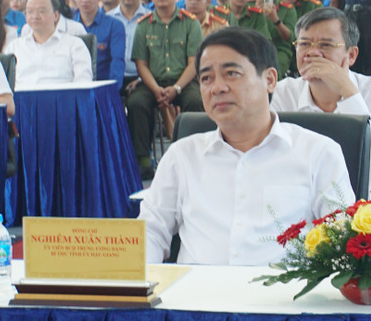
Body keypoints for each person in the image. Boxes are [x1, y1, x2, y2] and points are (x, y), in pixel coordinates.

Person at [140, 27, 355, 265]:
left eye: (231, 73)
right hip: (195, 297)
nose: (217, 88)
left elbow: (342, 238)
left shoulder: (318, 153)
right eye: (206, 78)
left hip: (285, 298)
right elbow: (150, 230)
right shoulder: (182, 155)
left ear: (270, 80)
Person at [270, 7, 371, 181]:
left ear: (352, 55)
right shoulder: (281, 94)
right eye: (304, 44)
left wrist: (350, 94)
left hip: (369, 202)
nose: (312, 53)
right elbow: (272, 162)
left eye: (326, 45)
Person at [126, 0, 205, 179]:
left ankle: (193, 156)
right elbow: (141, 64)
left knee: (196, 101)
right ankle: (142, 160)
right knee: (136, 103)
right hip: (153, 82)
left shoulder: (190, 23)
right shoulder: (143, 25)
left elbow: (194, 62)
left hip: (184, 82)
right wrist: (156, 89)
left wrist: (176, 88)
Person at [4, 0, 93, 89]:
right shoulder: (14, 47)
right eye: (30, 11)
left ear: (56, 15)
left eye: (42, 11)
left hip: (62, 101)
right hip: (22, 102)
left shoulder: (74, 45)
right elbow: (3, 84)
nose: (35, 16)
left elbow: (83, 83)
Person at [73, 0, 126, 82]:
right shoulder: (68, 25)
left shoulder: (114, 25)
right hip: (75, 88)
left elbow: (117, 62)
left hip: (103, 87)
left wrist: (111, 90)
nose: (84, 0)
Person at [107, 0, 151, 88]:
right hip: (112, 77)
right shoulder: (107, 19)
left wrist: (143, 79)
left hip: (143, 78)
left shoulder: (151, 19)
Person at [255, 0, 298, 78]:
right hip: (254, 48)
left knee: (273, 75)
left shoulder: (288, 9)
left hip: (279, 49)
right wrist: (256, 13)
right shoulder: (251, 7)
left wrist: (276, 20)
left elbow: (290, 38)